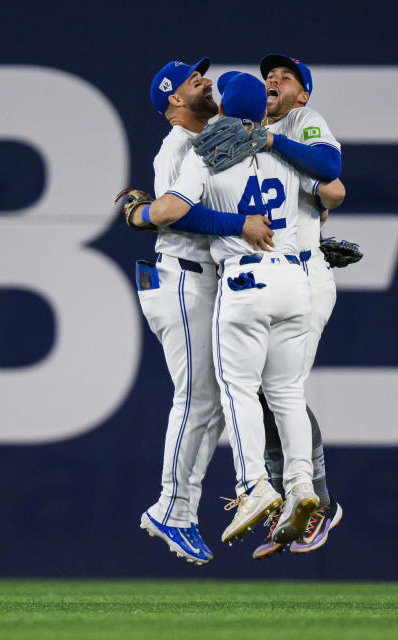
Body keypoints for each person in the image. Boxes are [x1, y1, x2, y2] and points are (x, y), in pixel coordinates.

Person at [142, 72, 346, 546]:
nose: (207, 84)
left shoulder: (208, 149)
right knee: (287, 393)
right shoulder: (285, 148)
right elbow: (332, 190)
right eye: (196, 80)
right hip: (294, 278)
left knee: (237, 390)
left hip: (243, 278)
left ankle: (252, 485)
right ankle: (300, 488)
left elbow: (169, 211)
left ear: (228, 108)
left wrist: (141, 212)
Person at [136, 58, 266, 566]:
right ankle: (171, 507)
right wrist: (240, 225)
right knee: (196, 397)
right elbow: (178, 212)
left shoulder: (209, 139)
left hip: (201, 280)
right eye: (195, 80)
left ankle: (182, 510)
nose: (207, 81)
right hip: (182, 278)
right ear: (174, 100)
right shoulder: (177, 147)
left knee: (211, 403)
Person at [248, 54, 346, 558]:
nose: (275, 80)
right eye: (271, 75)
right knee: (262, 393)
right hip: (261, 281)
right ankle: (293, 499)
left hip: (303, 278)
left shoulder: (301, 123)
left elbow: (333, 177)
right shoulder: (249, 134)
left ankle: (316, 504)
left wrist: (274, 141)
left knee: (280, 390)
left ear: (302, 94)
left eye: (286, 78)